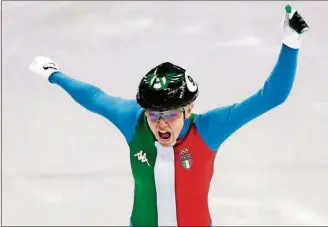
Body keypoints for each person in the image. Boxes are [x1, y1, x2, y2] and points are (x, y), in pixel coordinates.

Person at [28, 5, 309, 227]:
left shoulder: (208, 129)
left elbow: (271, 96)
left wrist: (290, 42)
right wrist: (55, 75)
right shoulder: (132, 121)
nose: (161, 123)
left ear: (189, 109)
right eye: (154, 115)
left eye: (171, 114)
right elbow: (94, 97)